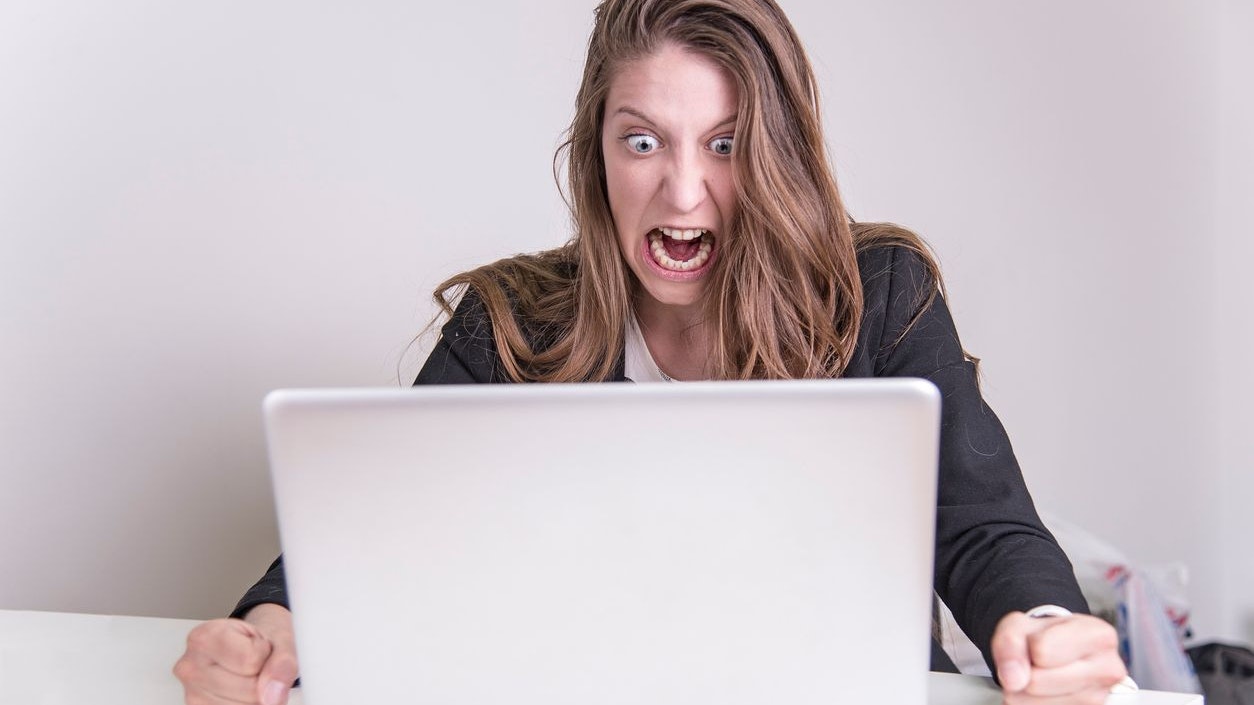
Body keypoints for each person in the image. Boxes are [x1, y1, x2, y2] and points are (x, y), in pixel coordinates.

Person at [174, 1, 1130, 703]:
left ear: (777, 154)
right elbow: (356, 552)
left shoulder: (876, 296)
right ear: (597, 152)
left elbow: (985, 530)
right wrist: (268, 634)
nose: (682, 191)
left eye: (723, 144)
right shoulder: (507, 324)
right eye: (643, 142)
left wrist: (1044, 631)